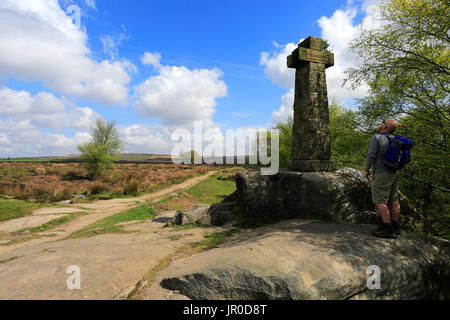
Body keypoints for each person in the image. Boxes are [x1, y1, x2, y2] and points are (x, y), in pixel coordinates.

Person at [364, 119, 401, 238]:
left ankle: (388, 228)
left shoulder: (377, 138)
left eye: (383, 122)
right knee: (393, 200)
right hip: (394, 172)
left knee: (379, 200)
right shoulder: (395, 139)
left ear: (385, 126)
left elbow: (371, 154)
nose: (381, 123)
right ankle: (395, 226)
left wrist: (366, 169)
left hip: (381, 173)